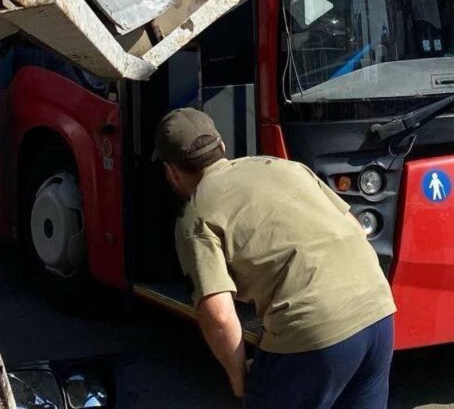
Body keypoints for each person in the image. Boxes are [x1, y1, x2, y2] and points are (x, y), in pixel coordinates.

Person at [155, 108, 395, 408]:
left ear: (172, 172)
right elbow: (356, 230)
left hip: (313, 328)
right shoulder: (283, 166)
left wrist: (238, 377)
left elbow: (217, 314)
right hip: (378, 310)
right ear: (222, 147)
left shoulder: (195, 216)